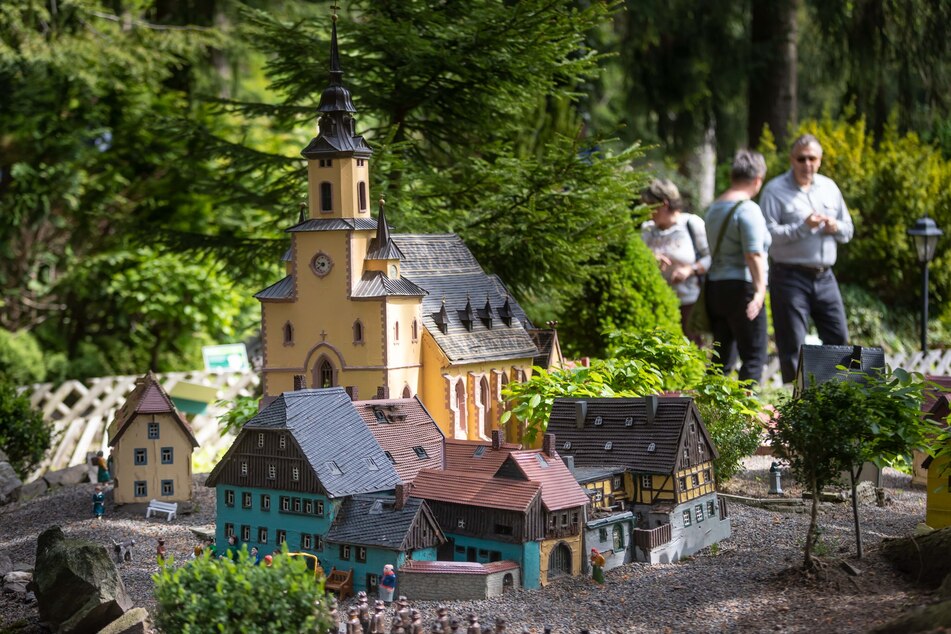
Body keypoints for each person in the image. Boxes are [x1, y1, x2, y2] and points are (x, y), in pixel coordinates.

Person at [760, 134, 853, 383]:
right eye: (801, 158)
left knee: (838, 336)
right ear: (792, 159)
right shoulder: (774, 190)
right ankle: (797, 403)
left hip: (825, 276)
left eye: (812, 158)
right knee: (793, 344)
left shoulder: (829, 187)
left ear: (820, 160)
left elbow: (849, 230)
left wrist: (835, 227)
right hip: (789, 275)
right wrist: (803, 227)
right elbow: (767, 235)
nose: (807, 164)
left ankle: (834, 394)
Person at [704, 150, 771, 384]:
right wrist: (760, 292)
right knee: (754, 356)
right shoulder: (748, 209)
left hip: (715, 289)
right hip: (742, 289)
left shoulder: (713, 209)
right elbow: (753, 253)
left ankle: (710, 411)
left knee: (722, 359)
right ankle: (746, 416)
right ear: (758, 179)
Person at [641, 178, 712, 344]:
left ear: (664, 204)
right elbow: (639, 257)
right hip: (657, 303)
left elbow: (711, 256)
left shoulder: (691, 224)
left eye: (649, 206)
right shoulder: (647, 229)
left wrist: (690, 270)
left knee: (692, 348)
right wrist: (651, 259)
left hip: (689, 302)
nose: (647, 212)